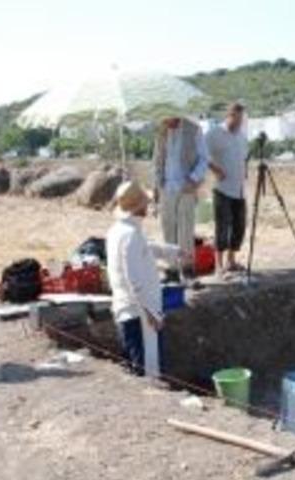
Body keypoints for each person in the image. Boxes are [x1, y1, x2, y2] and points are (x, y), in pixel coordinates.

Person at [106, 181, 181, 377]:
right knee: (148, 372)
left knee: (139, 367)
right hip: (138, 313)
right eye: (145, 203)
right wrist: (151, 314)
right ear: (138, 206)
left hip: (132, 311)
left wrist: (175, 252)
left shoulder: (120, 231)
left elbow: (147, 248)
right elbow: (134, 280)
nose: (148, 206)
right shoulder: (130, 235)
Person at [153, 116, 208, 278]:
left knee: (186, 229)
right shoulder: (161, 131)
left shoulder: (194, 130)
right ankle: (172, 269)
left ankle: (188, 267)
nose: (167, 121)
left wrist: (194, 178)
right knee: (168, 228)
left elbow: (204, 159)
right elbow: (156, 160)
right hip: (166, 188)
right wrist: (157, 185)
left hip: (187, 187)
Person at [205, 103, 249, 275]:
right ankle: (219, 265)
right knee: (222, 227)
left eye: (241, 119)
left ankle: (232, 261)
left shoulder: (242, 136)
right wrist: (215, 169)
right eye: (236, 118)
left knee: (239, 226)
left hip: (239, 189)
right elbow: (203, 153)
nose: (238, 123)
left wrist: (244, 171)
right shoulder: (214, 134)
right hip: (222, 188)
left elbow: (244, 157)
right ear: (229, 115)